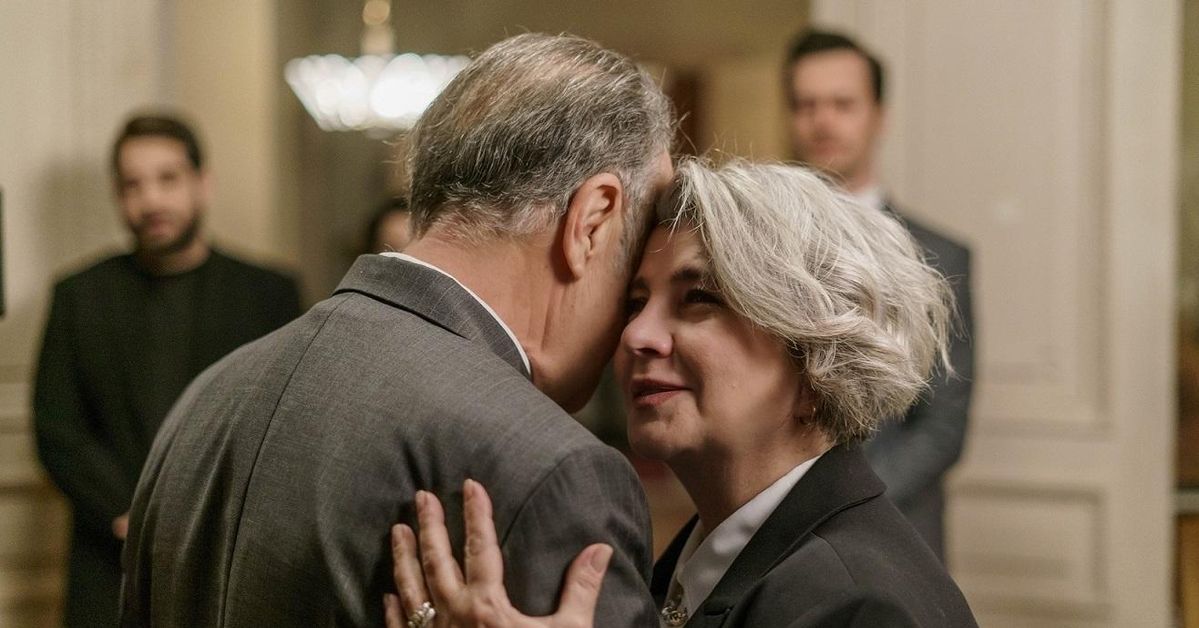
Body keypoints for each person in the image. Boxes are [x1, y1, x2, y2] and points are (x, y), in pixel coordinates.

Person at [119, 33, 675, 627]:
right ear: (592, 222)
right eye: (640, 250)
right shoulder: (555, 471)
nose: (637, 320)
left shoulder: (205, 399)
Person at [388, 160, 979, 627]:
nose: (636, 335)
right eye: (637, 302)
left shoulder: (857, 604)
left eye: (699, 299)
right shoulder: (707, 554)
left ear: (818, 359)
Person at [33, 113, 301, 628]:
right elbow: (57, 429)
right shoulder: (79, 296)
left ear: (203, 183)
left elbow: (288, 424)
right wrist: (124, 515)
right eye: (132, 185)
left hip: (232, 559)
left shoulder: (268, 294)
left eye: (167, 178)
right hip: (108, 564)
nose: (151, 200)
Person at [784, 29, 975, 559]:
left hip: (897, 532)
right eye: (806, 105)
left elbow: (943, 425)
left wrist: (842, 503)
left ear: (879, 117)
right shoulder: (758, 248)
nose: (823, 121)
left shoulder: (940, 257)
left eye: (842, 104)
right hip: (773, 532)